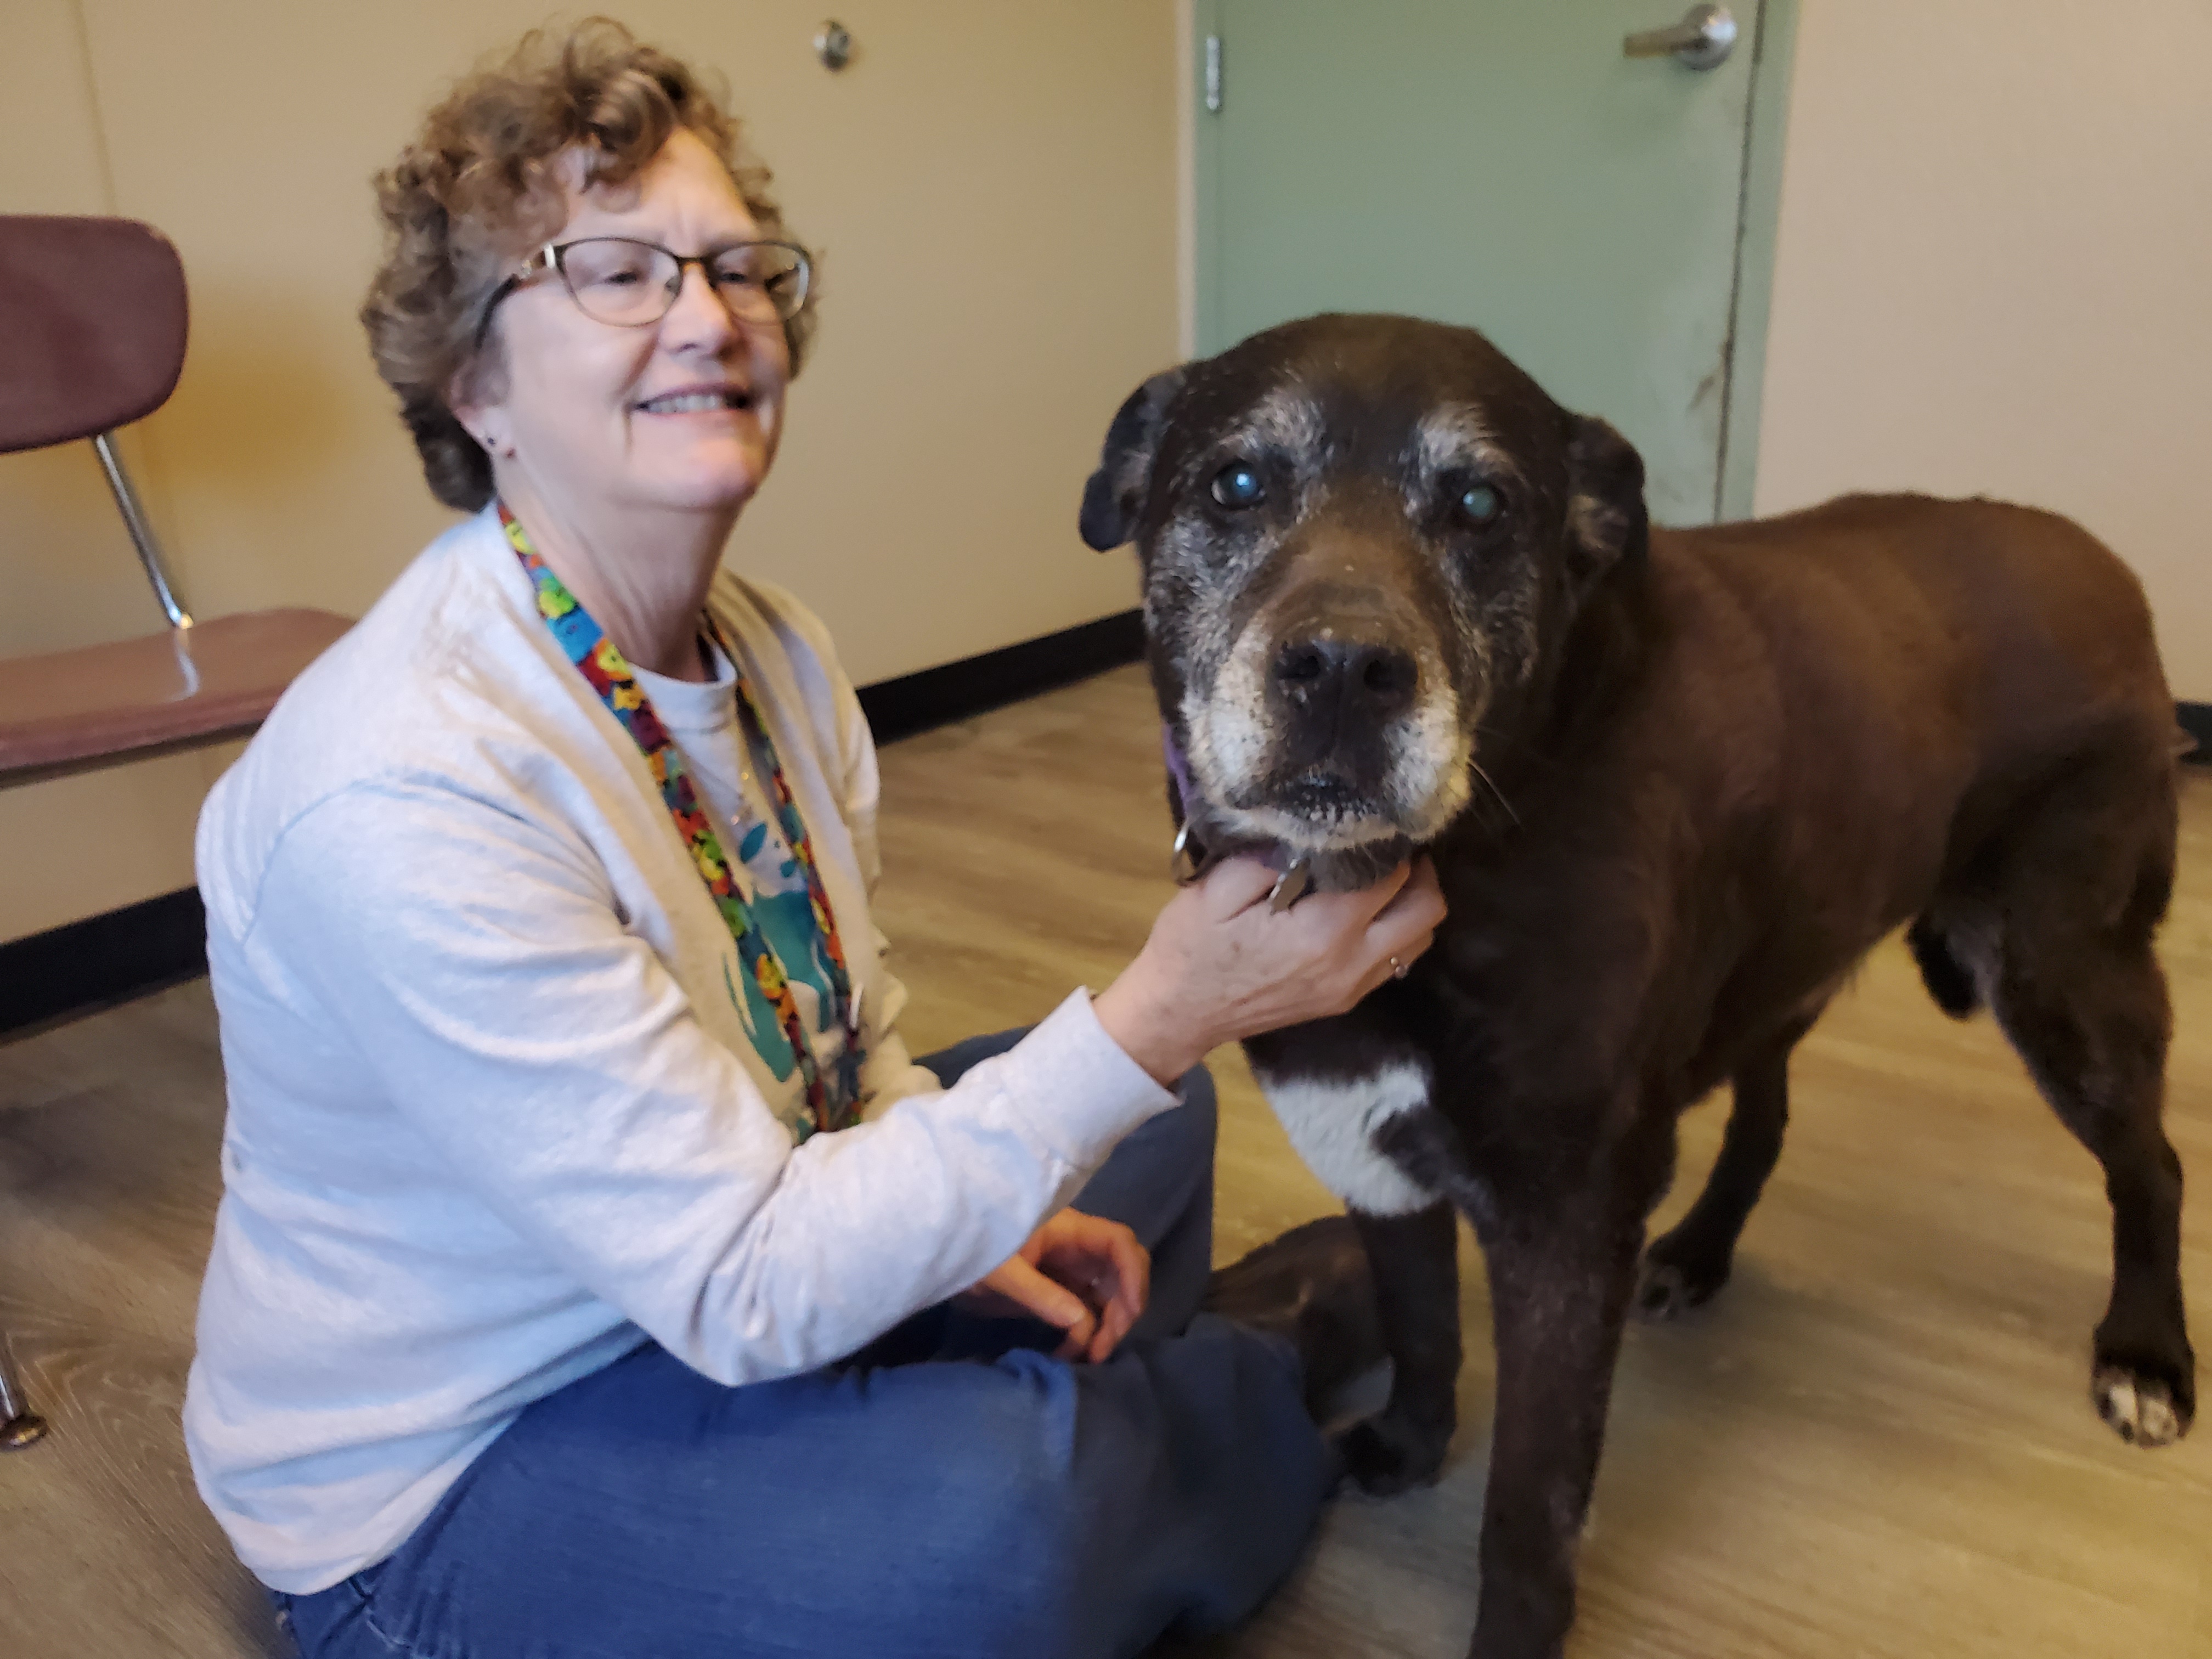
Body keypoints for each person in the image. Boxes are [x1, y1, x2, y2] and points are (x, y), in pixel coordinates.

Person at [183, 21, 1445, 1659]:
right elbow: (741, 1284)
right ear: (474, 383)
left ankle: (1005, 1442)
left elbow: (839, 1057)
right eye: (619, 271)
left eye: (740, 271)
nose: (709, 317)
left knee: (1151, 1136)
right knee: (1006, 1524)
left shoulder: (770, 648)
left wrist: (990, 1194)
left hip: (712, 1263)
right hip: (457, 1474)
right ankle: (1258, 1373)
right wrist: (1164, 1005)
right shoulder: (408, 785)